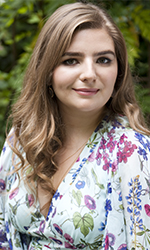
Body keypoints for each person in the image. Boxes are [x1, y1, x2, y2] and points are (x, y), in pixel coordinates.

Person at [0, 1, 150, 249]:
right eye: (71, 61)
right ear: (47, 70)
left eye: (103, 60)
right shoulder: (22, 138)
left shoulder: (132, 153)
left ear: (119, 72)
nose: (90, 74)